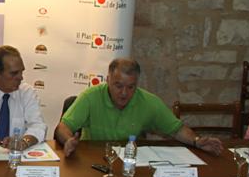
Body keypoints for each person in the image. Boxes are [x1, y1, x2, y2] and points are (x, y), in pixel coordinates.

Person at [54, 58, 224, 157]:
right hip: (93, 161)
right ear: (108, 80)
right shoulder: (90, 97)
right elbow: (63, 127)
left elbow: (176, 129)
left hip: (129, 163)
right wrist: (68, 140)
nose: (124, 93)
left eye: (130, 87)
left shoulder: (148, 101)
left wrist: (196, 141)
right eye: (118, 86)